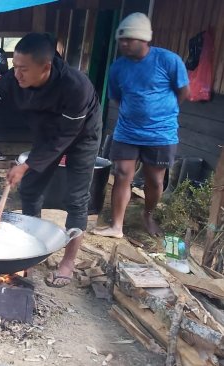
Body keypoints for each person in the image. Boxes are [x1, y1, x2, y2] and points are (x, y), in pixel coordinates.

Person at [0, 33, 102, 288]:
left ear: (45, 67)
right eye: (15, 67)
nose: (16, 74)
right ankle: (30, 251)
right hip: (46, 133)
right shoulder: (15, 78)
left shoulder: (75, 87)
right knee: (31, 189)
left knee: (76, 199)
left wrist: (26, 164)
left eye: (23, 69)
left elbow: (62, 138)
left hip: (81, 135)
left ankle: (68, 262)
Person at [92, 13, 189, 239]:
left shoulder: (168, 60)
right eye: (121, 40)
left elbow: (184, 92)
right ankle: (117, 226)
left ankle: (148, 213)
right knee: (122, 173)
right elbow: (116, 96)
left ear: (145, 39)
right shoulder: (118, 67)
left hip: (161, 133)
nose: (123, 44)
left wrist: (162, 111)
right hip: (127, 131)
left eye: (129, 40)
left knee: (154, 180)